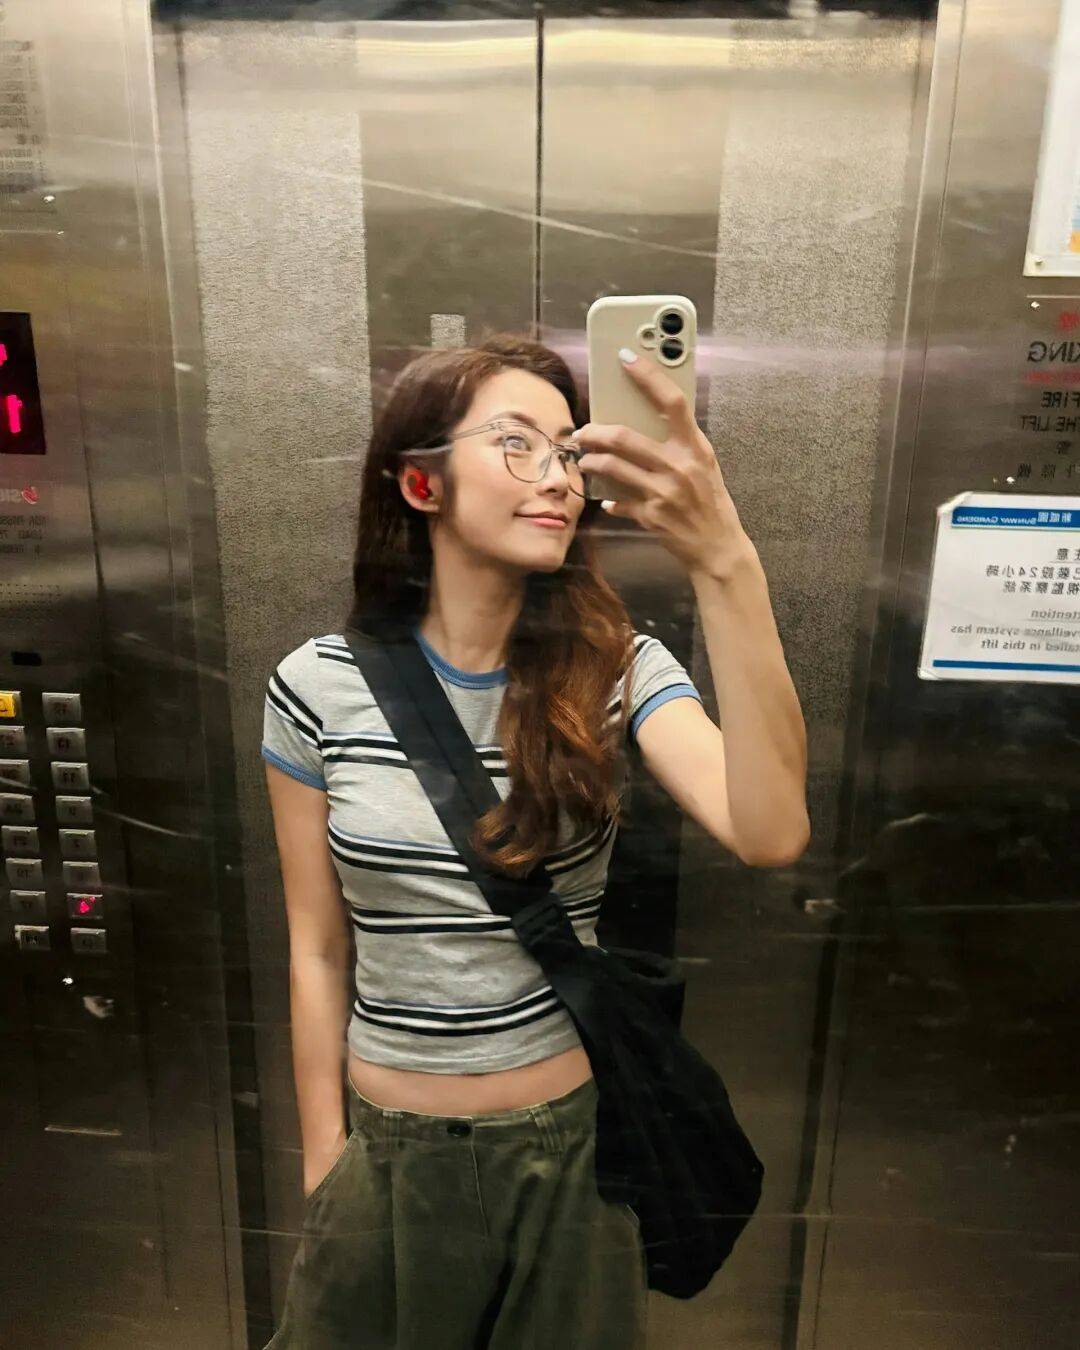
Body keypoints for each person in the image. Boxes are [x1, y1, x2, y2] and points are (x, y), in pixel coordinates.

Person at [260, 331, 809, 1348]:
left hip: (571, 1159)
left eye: (567, 450)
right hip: (385, 1159)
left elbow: (770, 831)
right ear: (420, 484)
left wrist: (724, 560)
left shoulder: (616, 669)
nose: (557, 476)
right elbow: (317, 945)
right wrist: (325, 1156)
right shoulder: (316, 687)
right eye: (516, 444)